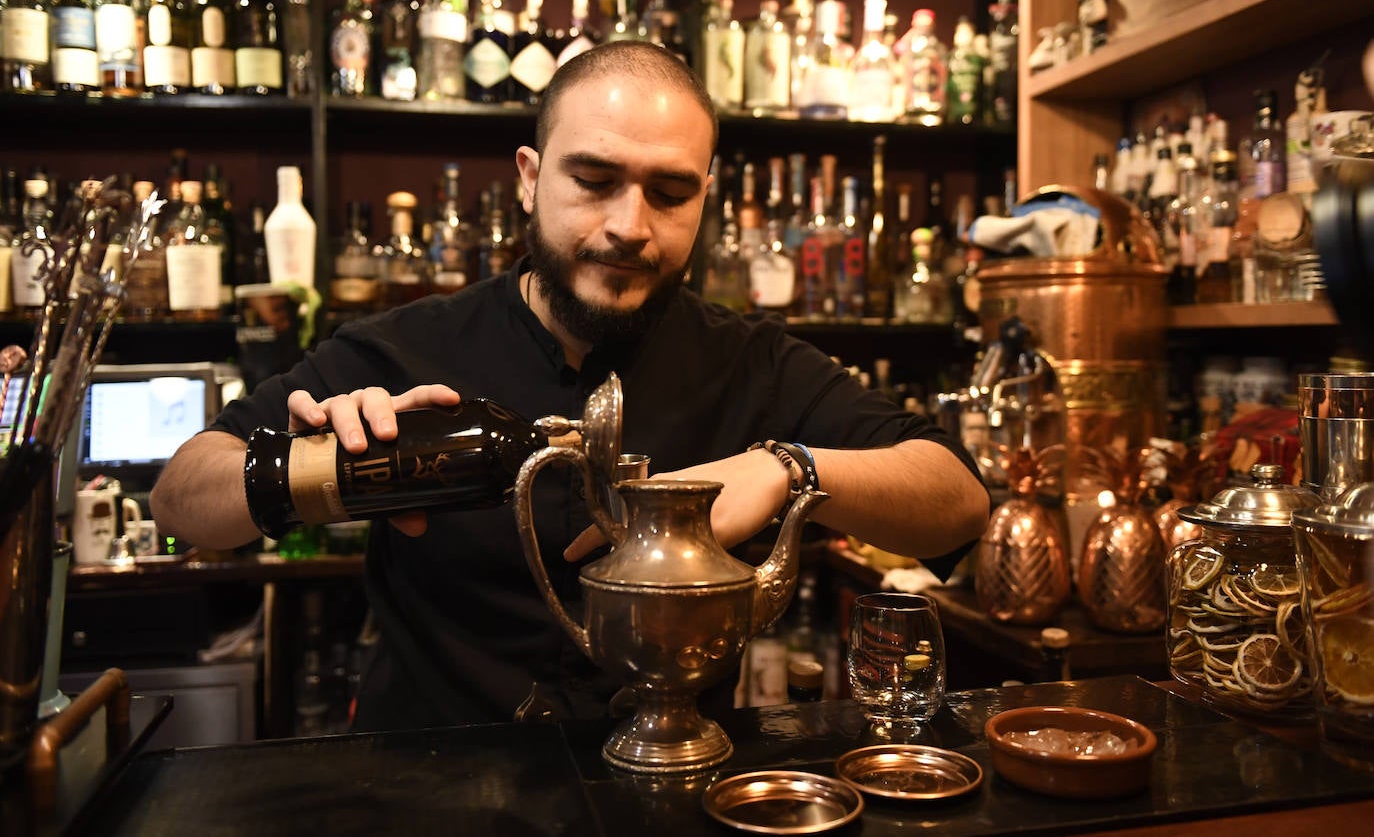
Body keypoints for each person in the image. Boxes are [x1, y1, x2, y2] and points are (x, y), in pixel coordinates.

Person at [151, 41, 989, 731]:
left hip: (673, 786)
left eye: (668, 193)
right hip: (427, 788)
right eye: (593, 181)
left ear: (706, 196)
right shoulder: (403, 349)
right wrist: (319, 470)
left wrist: (789, 468)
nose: (629, 226)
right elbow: (182, 498)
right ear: (528, 175)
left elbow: (956, 501)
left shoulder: (751, 361)